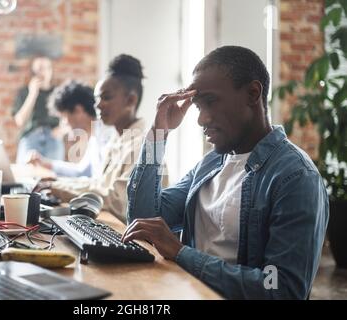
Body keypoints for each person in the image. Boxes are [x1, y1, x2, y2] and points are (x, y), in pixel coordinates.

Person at [122, 46, 328, 299]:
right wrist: (157, 135)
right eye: (198, 107)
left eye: (210, 101)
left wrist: (180, 252)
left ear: (253, 93)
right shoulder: (211, 163)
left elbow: (282, 288)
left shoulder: (296, 177)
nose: (201, 119)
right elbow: (143, 220)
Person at [36, 54, 147, 222]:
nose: (98, 104)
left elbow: (118, 201)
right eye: (97, 98)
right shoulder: (117, 140)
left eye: (106, 97)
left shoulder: (145, 145)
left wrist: (58, 188)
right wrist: (57, 185)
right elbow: (97, 184)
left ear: (130, 100)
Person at [27, 80, 112, 178]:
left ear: (78, 110)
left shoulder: (107, 135)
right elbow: (81, 171)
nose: (63, 123)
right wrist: (44, 163)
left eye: (63, 117)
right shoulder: (94, 137)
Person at [12, 55, 64, 163]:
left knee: (53, 176)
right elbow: (20, 121)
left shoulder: (59, 93)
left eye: (47, 68)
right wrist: (32, 94)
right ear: (33, 72)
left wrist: (62, 130)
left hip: (53, 139)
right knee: (24, 176)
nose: (43, 72)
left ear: (51, 70)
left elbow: (70, 117)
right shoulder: (24, 92)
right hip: (30, 137)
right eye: (40, 69)